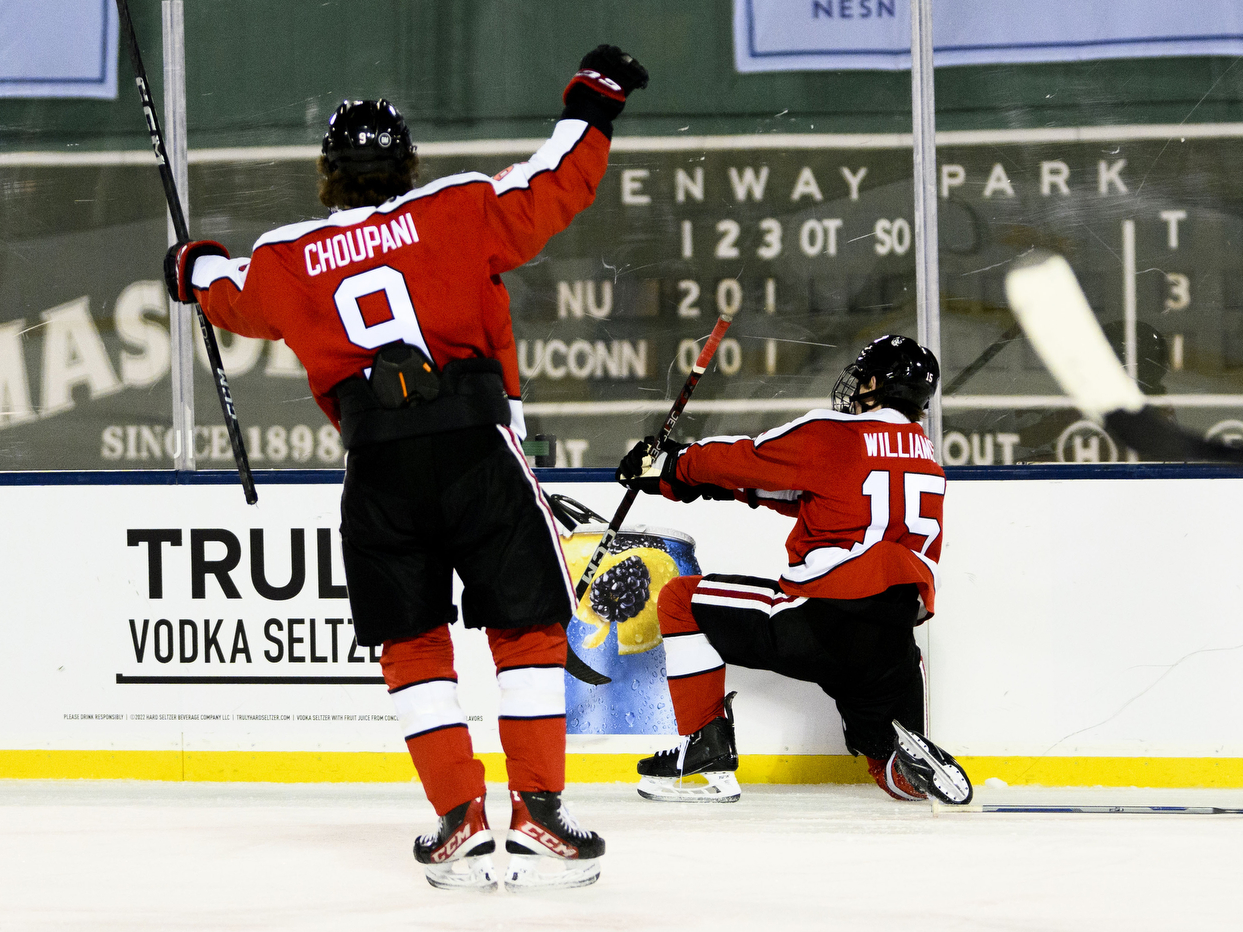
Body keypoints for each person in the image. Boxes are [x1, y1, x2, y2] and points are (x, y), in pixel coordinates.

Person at [163, 45, 650, 890]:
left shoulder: (284, 256)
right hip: (475, 449)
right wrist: (594, 102)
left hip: (378, 467)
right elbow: (552, 185)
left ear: (328, 173)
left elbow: (229, 292)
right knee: (527, 627)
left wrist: (190, 266)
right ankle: (537, 815)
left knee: (411, 641)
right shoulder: (458, 208)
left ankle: (458, 818)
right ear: (407, 162)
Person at [616, 335, 973, 806]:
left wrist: (674, 465)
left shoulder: (837, 433)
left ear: (875, 383)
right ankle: (895, 763)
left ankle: (706, 754)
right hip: (892, 639)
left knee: (681, 599)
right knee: (887, 757)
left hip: (822, 617)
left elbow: (746, 459)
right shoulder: (927, 458)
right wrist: (698, 487)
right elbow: (809, 498)